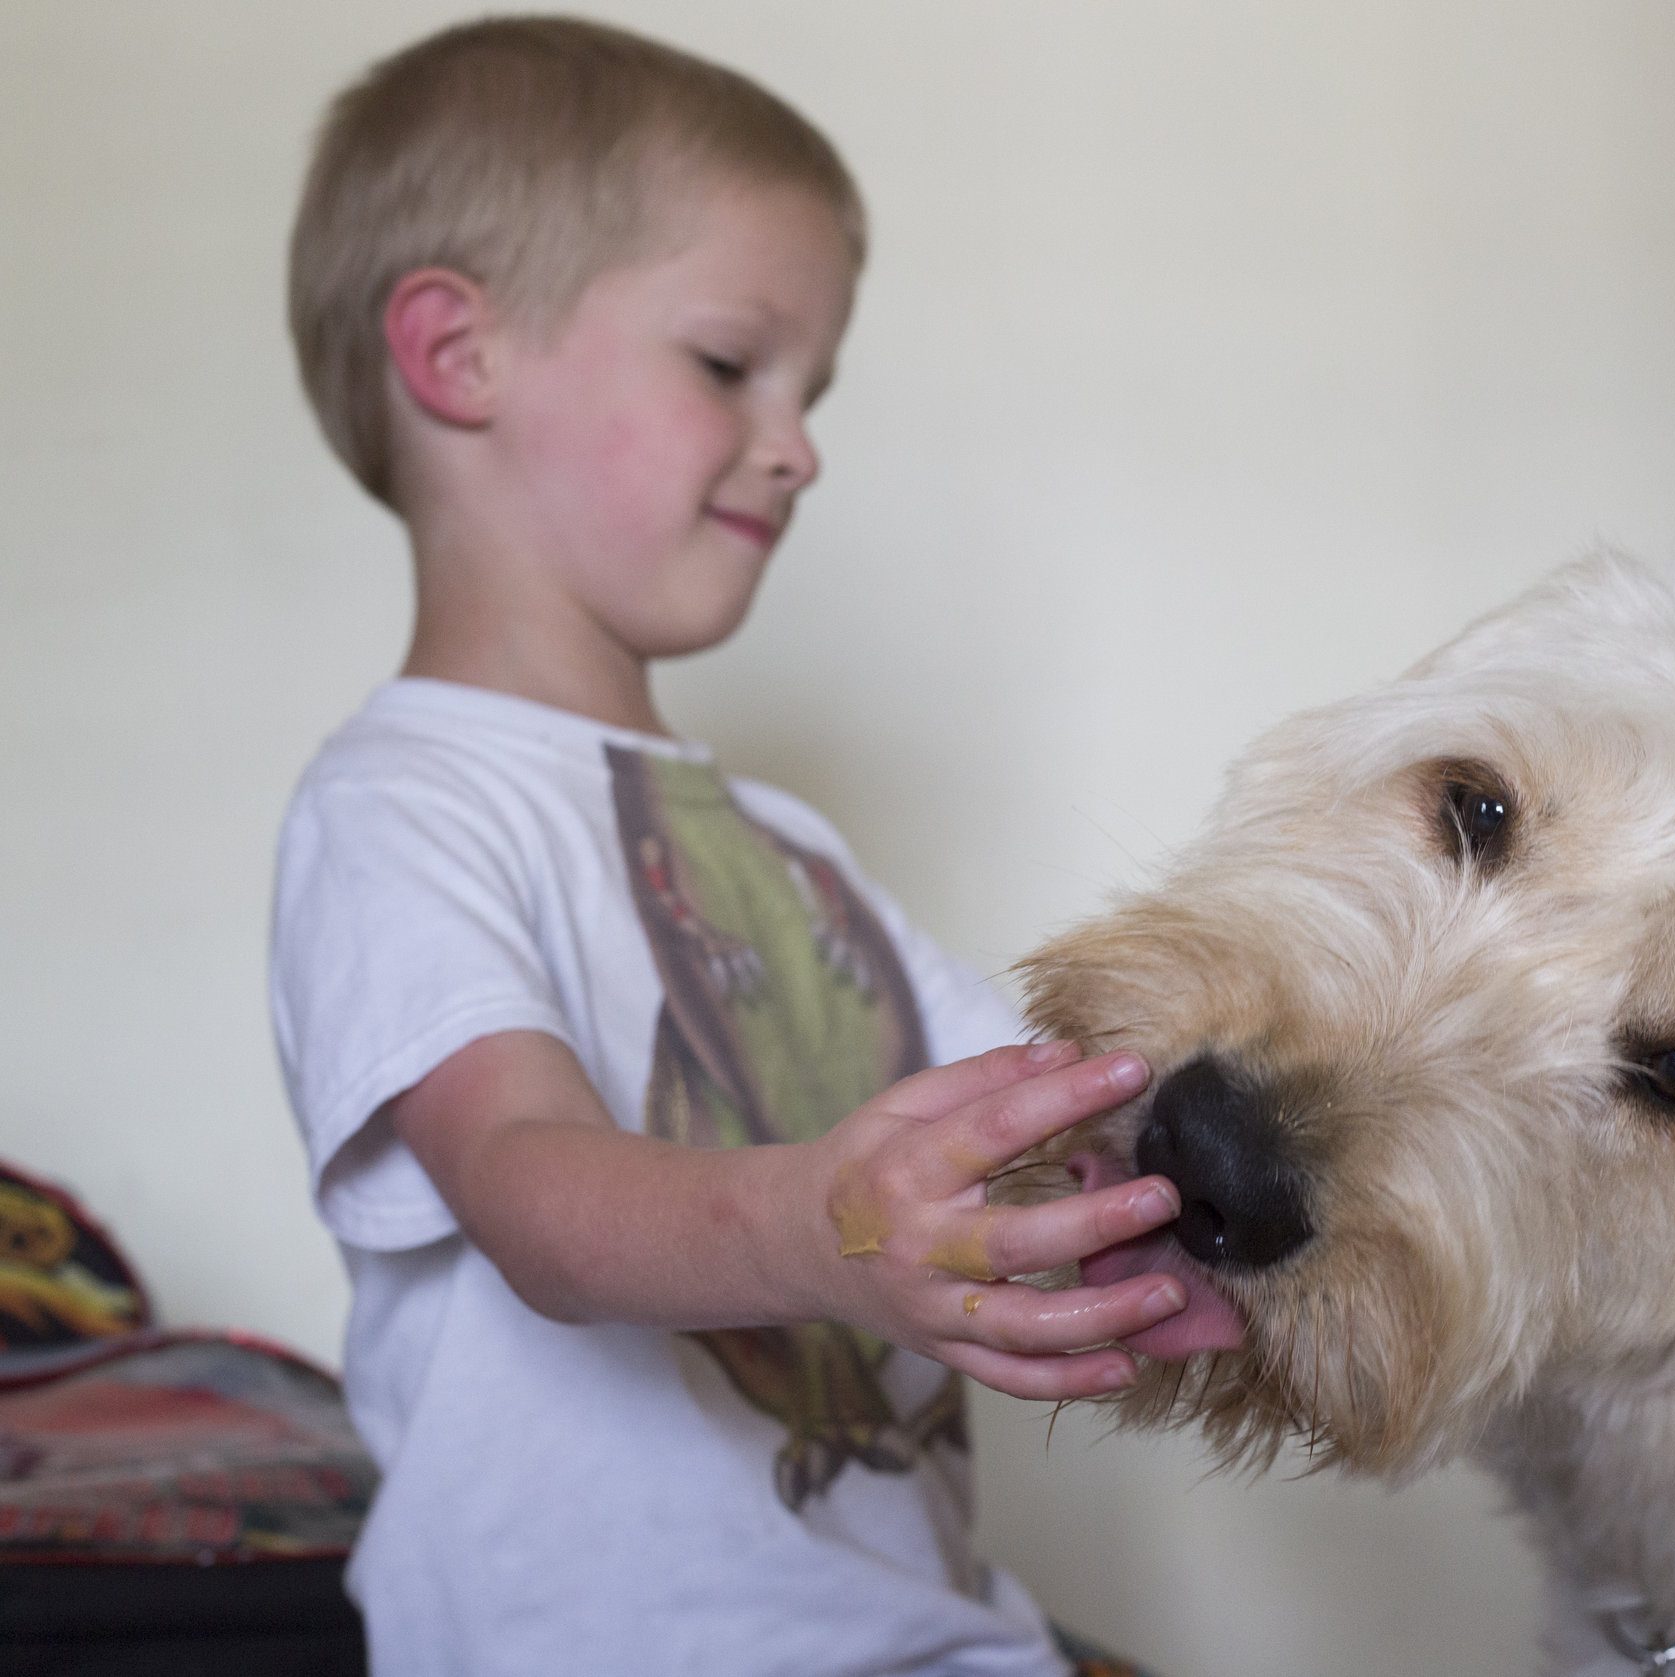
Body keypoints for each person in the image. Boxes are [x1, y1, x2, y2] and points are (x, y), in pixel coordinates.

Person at [269, 18, 1188, 1675]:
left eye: (814, 390)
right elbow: (532, 1193)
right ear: (455, 354)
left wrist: (1183, 1206)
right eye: (729, 365)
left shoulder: (780, 844)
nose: (803, 442)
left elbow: (1038, 1112)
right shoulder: (402, 804)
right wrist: (820, 1224)